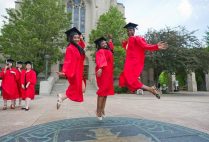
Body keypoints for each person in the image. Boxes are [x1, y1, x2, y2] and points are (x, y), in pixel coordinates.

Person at [119, 22, 168, 99]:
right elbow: (127, 49)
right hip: (128, 64)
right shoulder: (128, 41)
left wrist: (156, 46)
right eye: (128, 31)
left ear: (134, 31)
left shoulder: (137, 38)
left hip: (134, 63)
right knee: (128, 80)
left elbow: (145, 46)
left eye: (131, 30)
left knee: (129, 79)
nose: (129, 32)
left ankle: (150, 89)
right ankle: (150, 89)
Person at [56, 27, 86, 109]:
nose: (77, 39)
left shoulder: (78, 47)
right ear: (71, 38)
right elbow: (67, 61)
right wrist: (64, 72)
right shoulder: (70, 48)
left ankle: (61, 96)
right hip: (74, 72)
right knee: (77, 89)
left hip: (80, 71)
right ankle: (62, 96)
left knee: (82, 89)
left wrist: (81, 39)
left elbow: (83, 46)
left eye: (77, 37)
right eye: (74, 38)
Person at [94, 37, 114, 120]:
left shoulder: (108, 50)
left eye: (105, 43)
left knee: (105, 93)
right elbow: (100, 60)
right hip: (103, 72)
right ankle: (98, 111)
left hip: (108, 73)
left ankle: (102, 109)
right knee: (102, 92)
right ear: (99, 45)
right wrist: (101, 68)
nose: (105, 44)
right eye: (103, 44)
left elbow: (111, 50)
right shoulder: (100, 51)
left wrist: (110, 41)